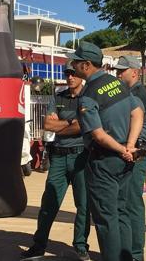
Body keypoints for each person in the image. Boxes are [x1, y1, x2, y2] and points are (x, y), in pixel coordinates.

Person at [68, 41, 143, 261]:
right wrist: (130, 146)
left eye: (76, 62)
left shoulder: (89, 94)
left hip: (105, 161)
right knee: (121, 214)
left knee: (105, 219)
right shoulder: (117, 83)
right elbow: (137, 113)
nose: (73, 65)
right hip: (124, 161)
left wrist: (122, 150)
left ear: (86, 65)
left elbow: (98, 135)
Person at [21, 61, 90, 260]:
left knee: (84, 205)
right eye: (67, 73)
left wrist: (62, 124)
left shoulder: (88, 98)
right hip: (58, 156)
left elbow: (84, 125)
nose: (69, 77)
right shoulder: (58, 97)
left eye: (73, 73)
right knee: (49, 202)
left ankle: (80, 246)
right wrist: (71, 122)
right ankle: (39, 245)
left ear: (81, 75)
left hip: (81, 157)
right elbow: (48, 125)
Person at [114, 55, 146, 261]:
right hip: (133, 151)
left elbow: (144, 128)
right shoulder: (129, 93)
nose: (118, 74)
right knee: (126, 203)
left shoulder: (138, 93)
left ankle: (136, 254)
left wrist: (133, 148)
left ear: (135, 72)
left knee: (132, 204)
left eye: (122, 70)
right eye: (117, 70)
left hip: (137, 152)